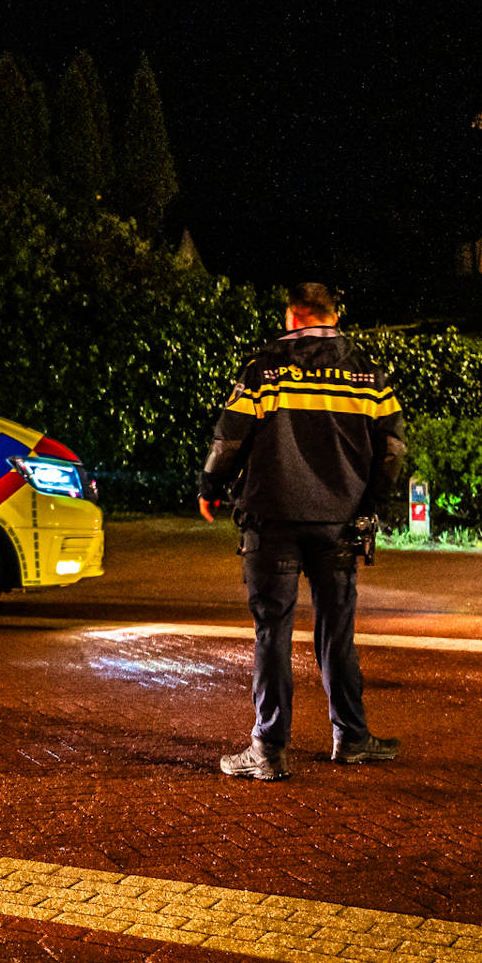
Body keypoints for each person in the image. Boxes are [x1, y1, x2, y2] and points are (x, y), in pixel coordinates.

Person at [198, 282, 407, 781]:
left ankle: (269, 750)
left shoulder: (264, 370)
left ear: (293, 317)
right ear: (333, 316)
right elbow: (394, 450)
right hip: (339, 524)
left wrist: (210, 484)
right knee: (337, 631)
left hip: (271, 522)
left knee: (273, 631)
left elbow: (230, 438)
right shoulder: (369, 375)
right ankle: (352, 738)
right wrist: (369, 503)